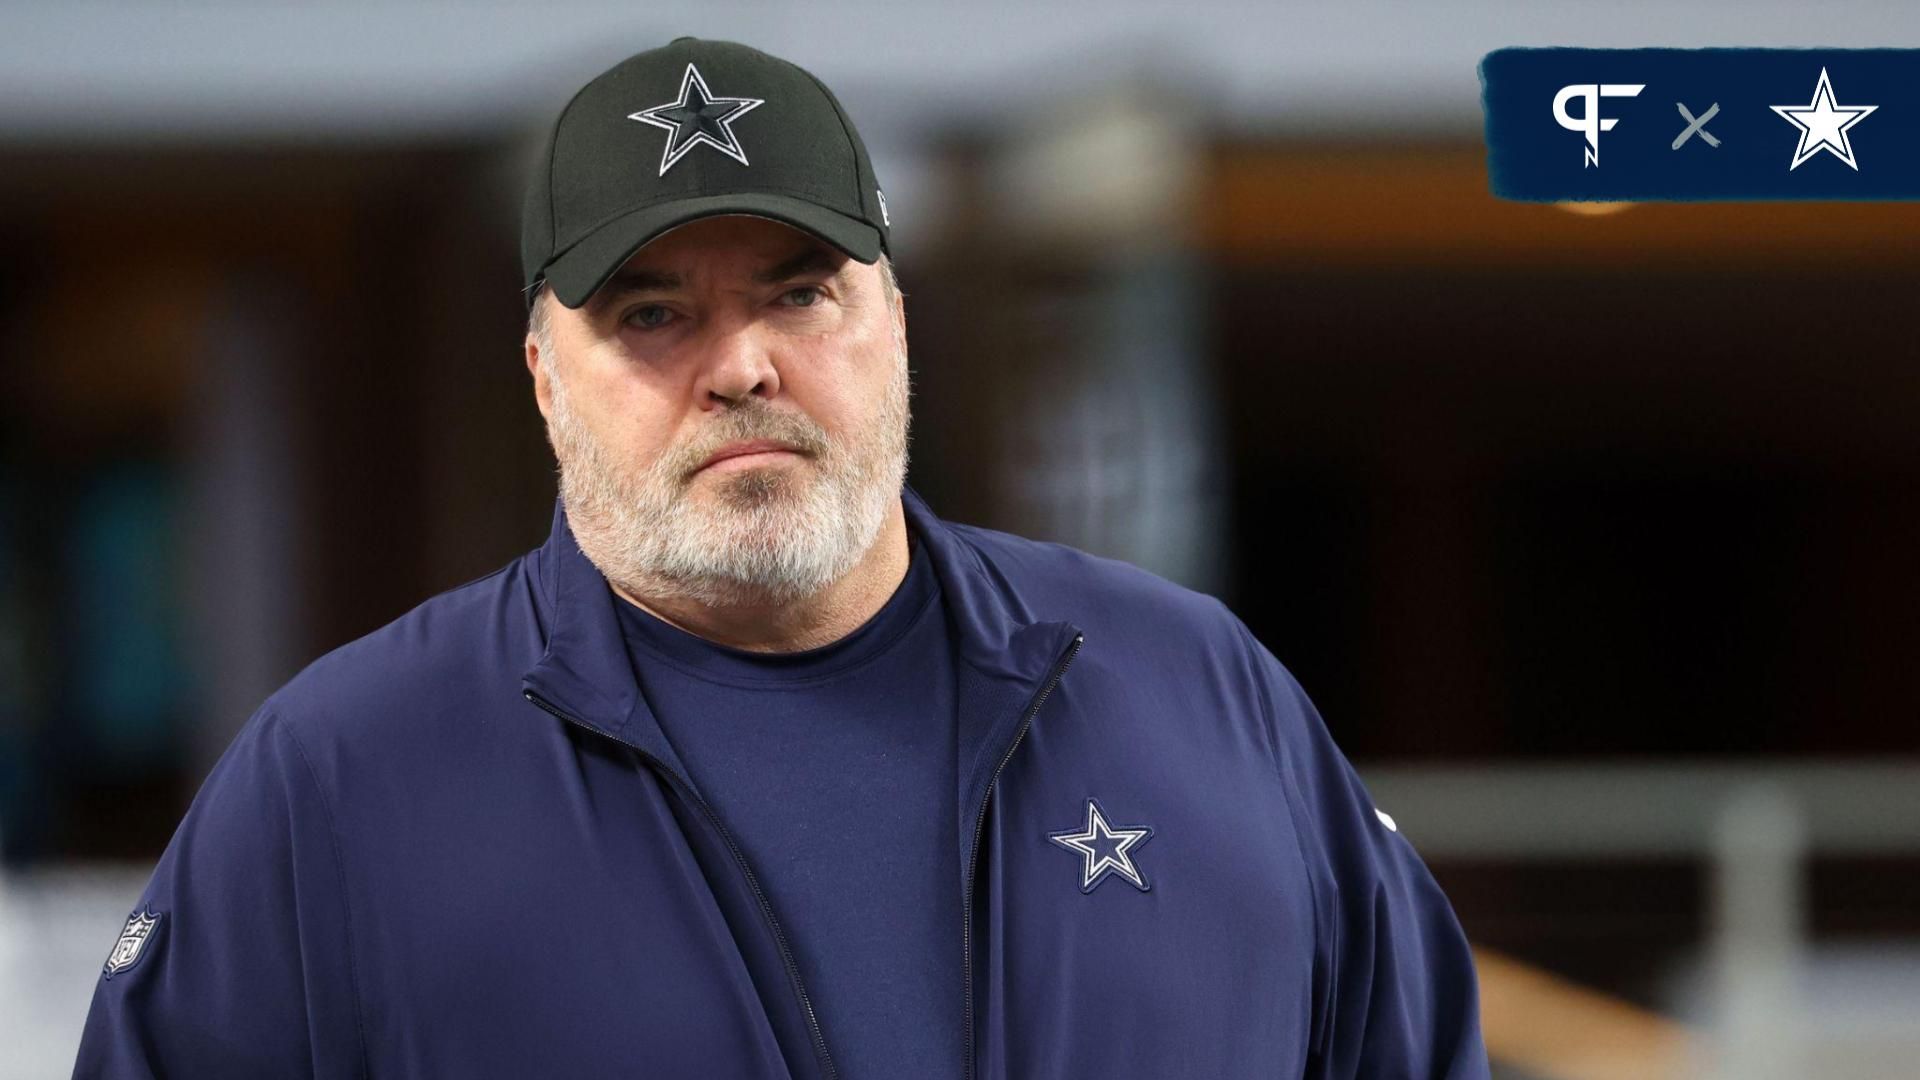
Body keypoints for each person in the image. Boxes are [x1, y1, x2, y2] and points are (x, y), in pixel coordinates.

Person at [72, 36, 1489, 1080]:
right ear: (545, 380)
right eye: (649, 315)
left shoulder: (1197, 691)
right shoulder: (344, 775)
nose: (742, 365)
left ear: (897, 327)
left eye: (800, 293)